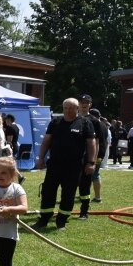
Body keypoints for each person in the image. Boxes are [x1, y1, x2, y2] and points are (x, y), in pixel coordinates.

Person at [33, 98, 96, 230]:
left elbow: (91, 144)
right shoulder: (55, 122)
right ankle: (44, 219)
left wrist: (91, 162)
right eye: (65, 108)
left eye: (71, 108)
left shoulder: (85, 123)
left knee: (68, 193)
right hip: (54, 164)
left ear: (77, 109)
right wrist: (41, 158)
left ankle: (61, 221)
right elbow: (46, 141)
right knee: (48, 191)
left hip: (74, 166)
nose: (68, 110)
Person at [76, 96, 106, 219]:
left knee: (85, 184)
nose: (84, 105)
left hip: (87, 158)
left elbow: (97, 143)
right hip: (74, 157)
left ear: (90, 104)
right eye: (82, 102)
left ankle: (84, 211)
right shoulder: (74, 118)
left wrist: (92, 161)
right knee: (71, 183)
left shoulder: (95, 121)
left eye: (86, 103)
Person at [3, 113, 26, 184]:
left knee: (9, 164)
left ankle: (18, 177)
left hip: (10, 147)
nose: (5, 121)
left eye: (6, 120)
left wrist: (7, 148)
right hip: (15, 146)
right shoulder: (16, 127)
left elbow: (9, 140)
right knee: (10, 163)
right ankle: (19, 177)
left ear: (9, 119)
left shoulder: (10, 127)